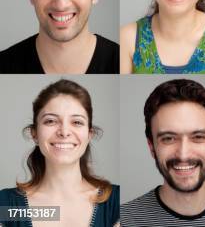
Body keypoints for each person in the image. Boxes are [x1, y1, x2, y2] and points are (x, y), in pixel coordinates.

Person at [0, 79, 119, 227]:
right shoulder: (6, 205)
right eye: (50, 121)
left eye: (76, 122)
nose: (64, 132)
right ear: (35, 133)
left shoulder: (118, 202)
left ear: (89, 134)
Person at [120, 78, 205, 226]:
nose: (183, 155)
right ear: (151, 147)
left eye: (198, 137)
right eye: (168, 138)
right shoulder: (124, 220)